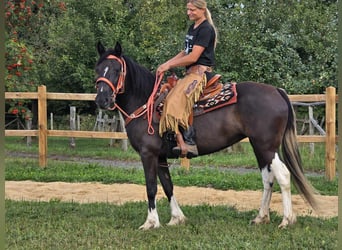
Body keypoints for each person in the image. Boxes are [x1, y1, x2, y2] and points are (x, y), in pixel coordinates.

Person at [157, 0, 218, 158]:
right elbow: (185, 53)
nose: (189, 13)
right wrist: (165, 64)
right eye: (188, 9)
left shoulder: (206, 29)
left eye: (192, 10)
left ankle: (189, 141)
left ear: (202, 9)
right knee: (168, 97)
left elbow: (194, 56)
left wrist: (169, 66)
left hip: (199, 74)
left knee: (174, 101)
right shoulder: (193, 27)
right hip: (190, 74)